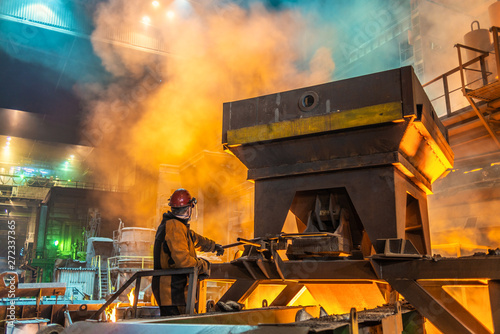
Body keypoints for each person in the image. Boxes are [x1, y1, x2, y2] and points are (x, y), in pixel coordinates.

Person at [152, 188, 224, 316]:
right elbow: (183, 262)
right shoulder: (174, 227)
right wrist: (204, 265)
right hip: (172, 293)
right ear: (190, 208)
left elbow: (195, 239)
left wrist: (213, 246)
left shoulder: (177, 225)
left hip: (175, 292)